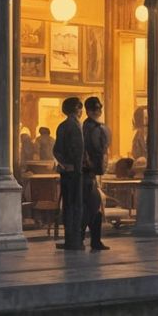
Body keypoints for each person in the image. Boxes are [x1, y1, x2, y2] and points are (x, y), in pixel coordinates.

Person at [53, 96, 86, 251]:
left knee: (67, 205)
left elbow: (56, 150)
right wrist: (77, 167)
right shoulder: (76, 126)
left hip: (66, 172)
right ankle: (75, 241)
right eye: (80, 109)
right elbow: (79, 151)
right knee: (76, 205)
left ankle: (69, 239)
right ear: (77, 109)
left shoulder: (61, 126)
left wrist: (64, 165)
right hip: (76, 173)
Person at [82, 96, 110, 250]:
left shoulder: (88, 127)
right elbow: (96, 149)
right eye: (96, 108)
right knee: (93, 206)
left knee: (92, 207)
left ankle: (93, 240)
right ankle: (93, 240)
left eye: (99, 108)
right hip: (87, 172)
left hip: (89, 173)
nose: (98, 111)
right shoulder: (92, 128)